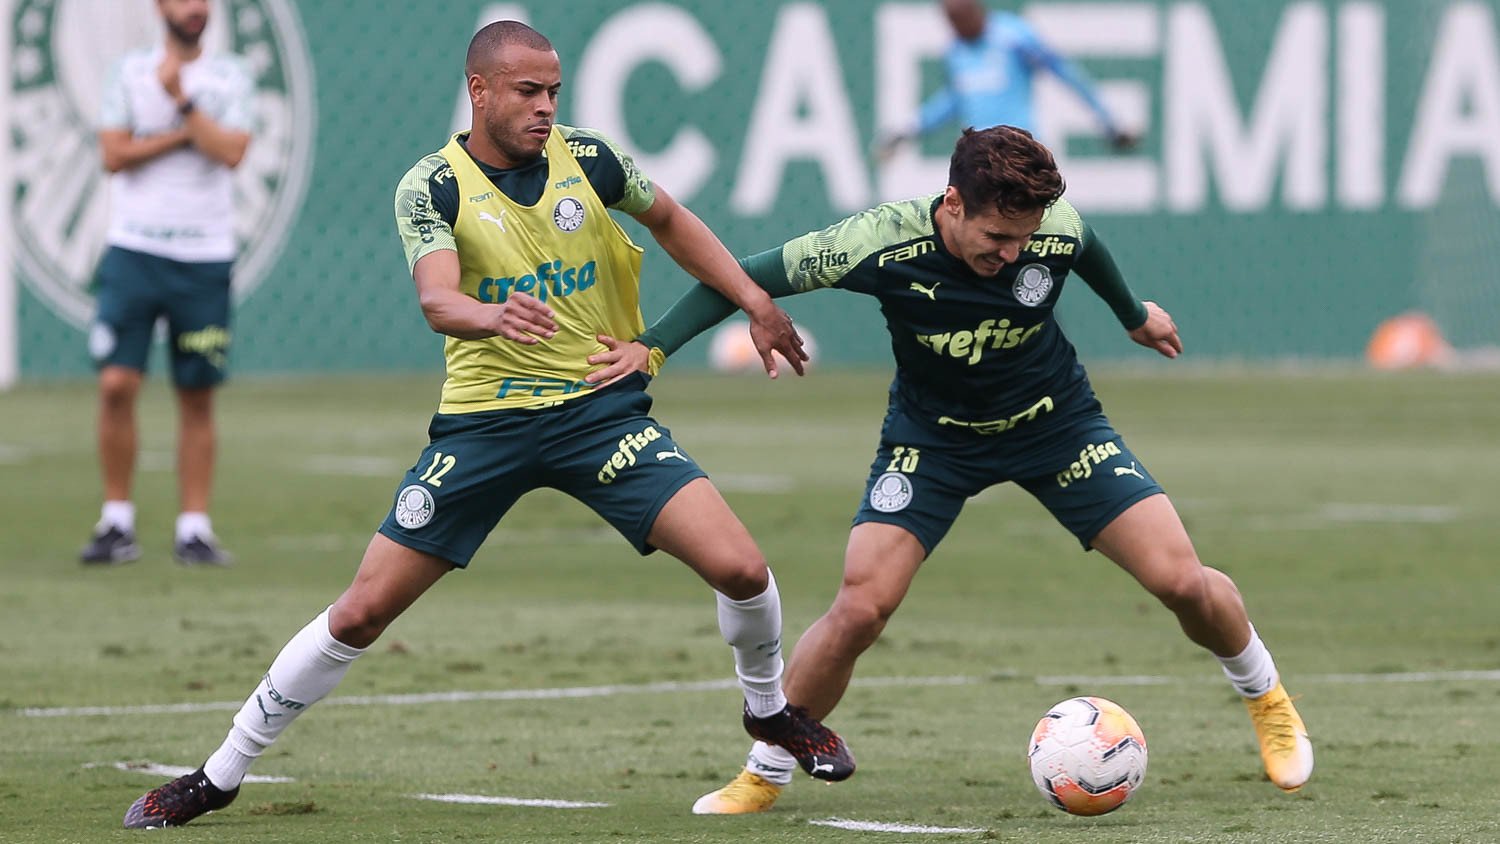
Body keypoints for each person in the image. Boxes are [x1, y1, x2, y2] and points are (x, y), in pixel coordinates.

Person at [119, 20, 854, 829]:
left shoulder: (591, 160)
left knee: (743, 569)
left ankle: (768, 711)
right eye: (528, 92)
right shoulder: (431, 186)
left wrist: (753, 301)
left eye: (554, 92)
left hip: (596, 414)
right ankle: (220, 773)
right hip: (484, 429)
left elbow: (673, 221)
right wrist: (490, 315)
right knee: (361, 611)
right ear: (479, 91)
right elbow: (437, 299)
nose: (546, 108)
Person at [588, 125, 1313, 814]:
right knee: (860, 607)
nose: (1013, 254)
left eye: (1024, 238)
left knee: (1181, 580)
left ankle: (1268, 699)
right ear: (954, 204)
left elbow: (1085, 247)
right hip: (931, 441)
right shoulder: (876, 242)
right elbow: (740, 276)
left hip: (1056, 426)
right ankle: (767, 770)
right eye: (997, 238)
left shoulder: (1052, 230)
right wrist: (655, 345)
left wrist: (1132, 315)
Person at [81, 0, 253, 566]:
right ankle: (116, 522)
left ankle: (194, 529)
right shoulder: (129, 72)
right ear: (161, 7)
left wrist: (180, 103)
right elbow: (113, 154)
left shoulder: (231, 75)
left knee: (197, 393)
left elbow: (231, 151)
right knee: (116, 384)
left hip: (204, 257)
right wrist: (186, 136)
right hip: (134, 250)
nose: (195, 8)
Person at [876, 0, 1136, 161]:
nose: (957, 26)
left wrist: (1109, 122)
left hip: (1019, 147)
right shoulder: (956, 52)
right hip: (978, 154)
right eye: (952, 21)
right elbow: (956, 100)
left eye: (961, 17)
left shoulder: (1014, 37)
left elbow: (1064, 73)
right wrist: (910, 128)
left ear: (977, 9)